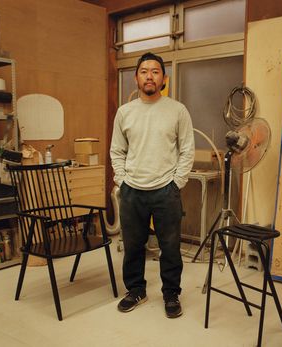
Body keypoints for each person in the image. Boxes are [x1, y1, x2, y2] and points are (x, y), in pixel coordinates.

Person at [110, 52, 195, 318]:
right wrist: (122, 181)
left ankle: (171, 294)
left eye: (155, 71)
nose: (150, 75)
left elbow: (187, 150)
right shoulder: (125, 112)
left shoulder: (177, 110)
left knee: (170, 247)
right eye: (144, 71)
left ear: (164, 78)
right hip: (132, 190)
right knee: (133, 245)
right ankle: (136, 290)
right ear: (136, 77)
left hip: (166, 191)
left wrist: (176, 182)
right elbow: (117, 151)